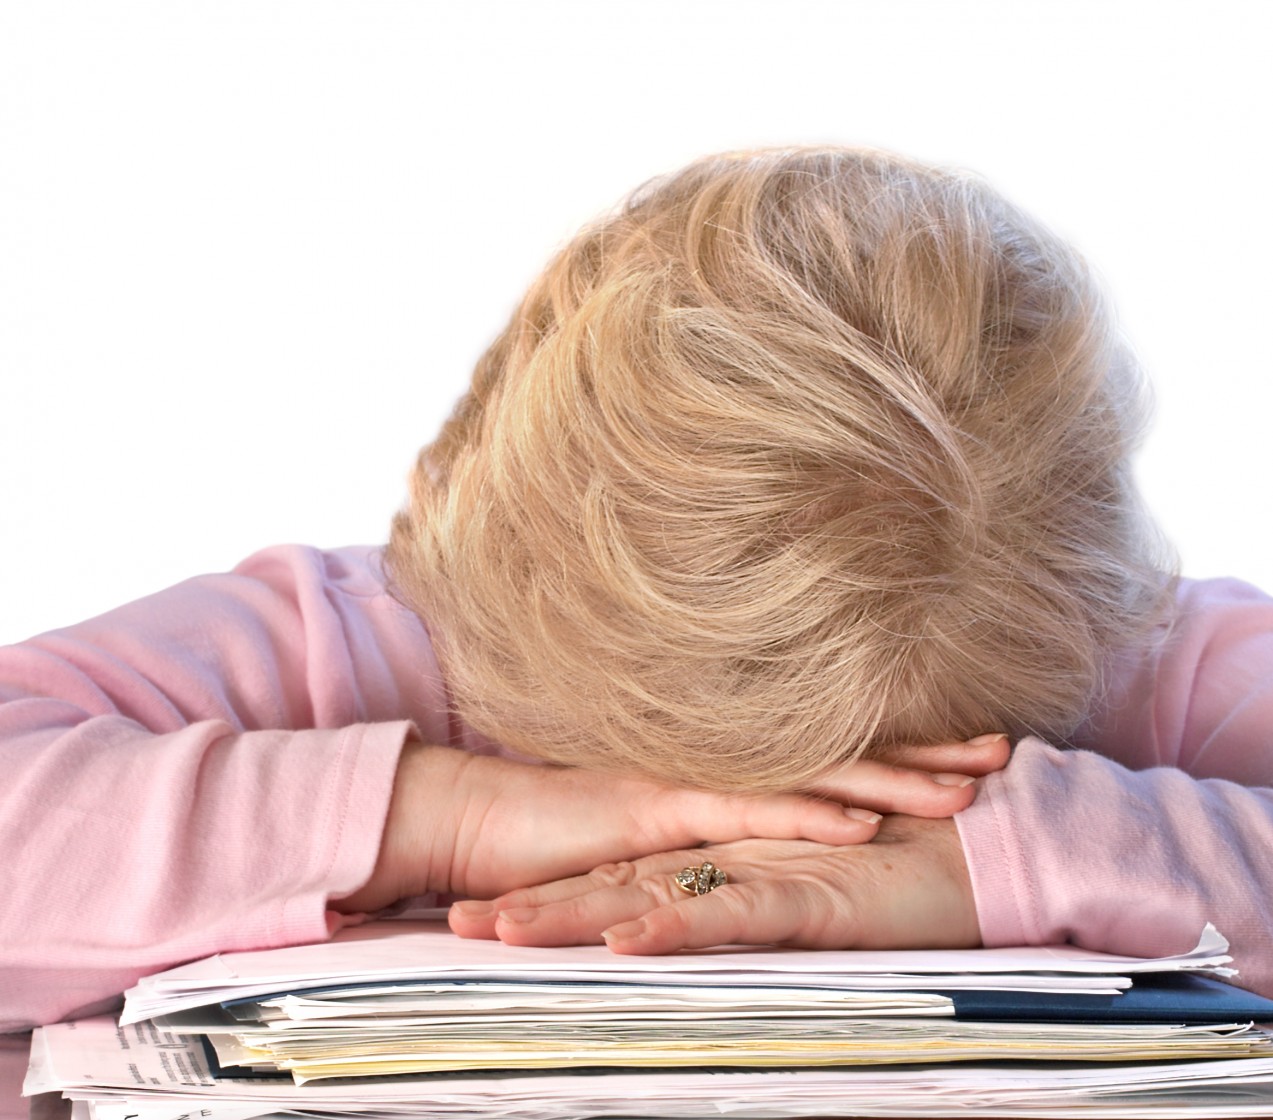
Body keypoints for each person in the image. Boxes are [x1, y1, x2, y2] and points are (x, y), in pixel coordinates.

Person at [2, 145, 1271, 1035]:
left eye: (899, 769)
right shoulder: (353, 640)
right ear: (480, 549)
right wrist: (450, 815)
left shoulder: (1140, 652)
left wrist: (996, 854)